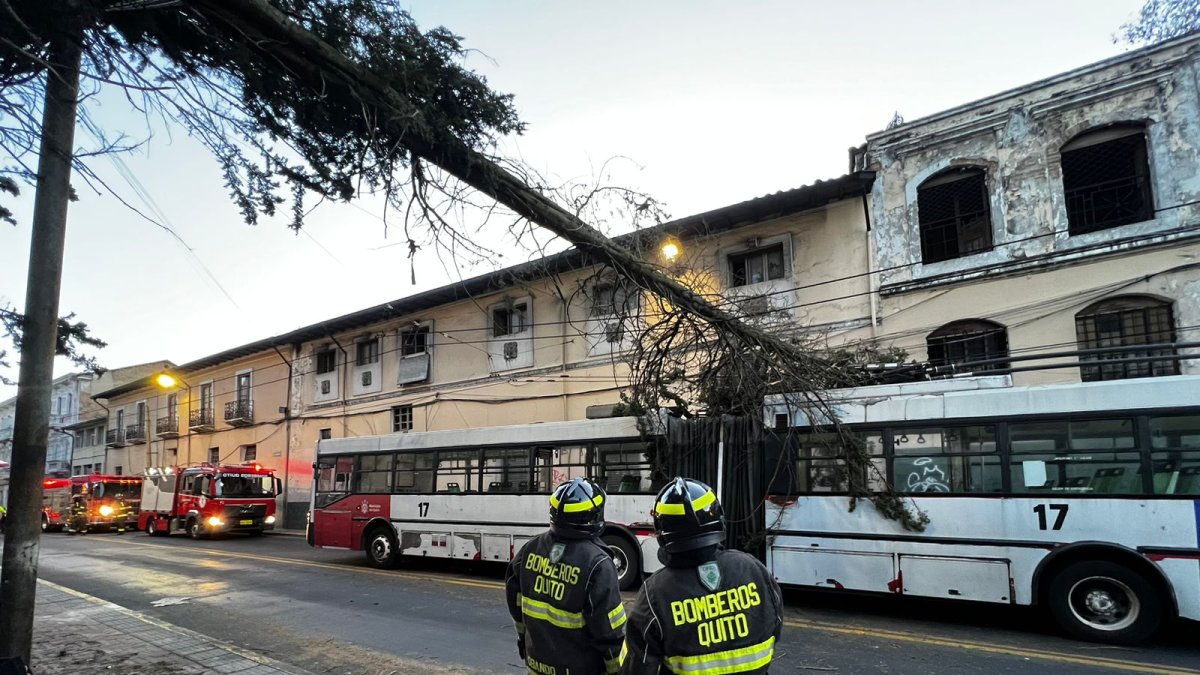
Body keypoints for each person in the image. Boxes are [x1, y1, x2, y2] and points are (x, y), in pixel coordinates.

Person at [619, 477, 782, 674]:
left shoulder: (655, 592)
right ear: (718, 519)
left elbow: (637, 665)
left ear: (662, 532)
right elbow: (775, 627)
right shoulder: (754, 569)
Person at [505, 477, 626, 674]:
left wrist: (523, 642)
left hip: (536, 666)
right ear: (593, 515)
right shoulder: (598, 564)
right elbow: (609, 632)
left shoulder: (528, 550)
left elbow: (516, 609)